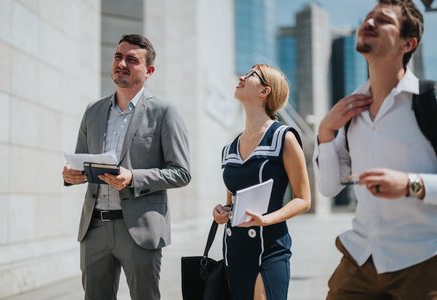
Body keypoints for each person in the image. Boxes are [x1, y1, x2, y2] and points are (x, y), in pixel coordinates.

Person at [313, 0, 437, 299]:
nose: (369, 23)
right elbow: (329, 188)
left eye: (383, 20)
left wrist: (410, 184)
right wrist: (325, 132)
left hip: (424, 261)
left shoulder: (429, 101)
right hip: (360, 259)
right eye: (369, 17)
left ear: (408, 43)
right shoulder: (348, 112)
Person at [62, 34, 191, 300]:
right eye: (118, 56)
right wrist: (70, 174)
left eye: (132, 60)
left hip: (140, 230)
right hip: (94, 229)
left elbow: (181, 172)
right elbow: (81, 162)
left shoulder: (165, 112)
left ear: (149, 71)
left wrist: (133, 177)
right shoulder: (93, 111)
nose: (122, 63)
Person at [213, 64, 311, 300]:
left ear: (265, 90)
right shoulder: (229, 148)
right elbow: (232, 202)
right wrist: (222, 211)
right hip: (234, 252)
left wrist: (265, 220)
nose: (241, 77)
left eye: (250, 75)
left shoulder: (283, 137)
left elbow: (303, 200)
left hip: (269, 250)